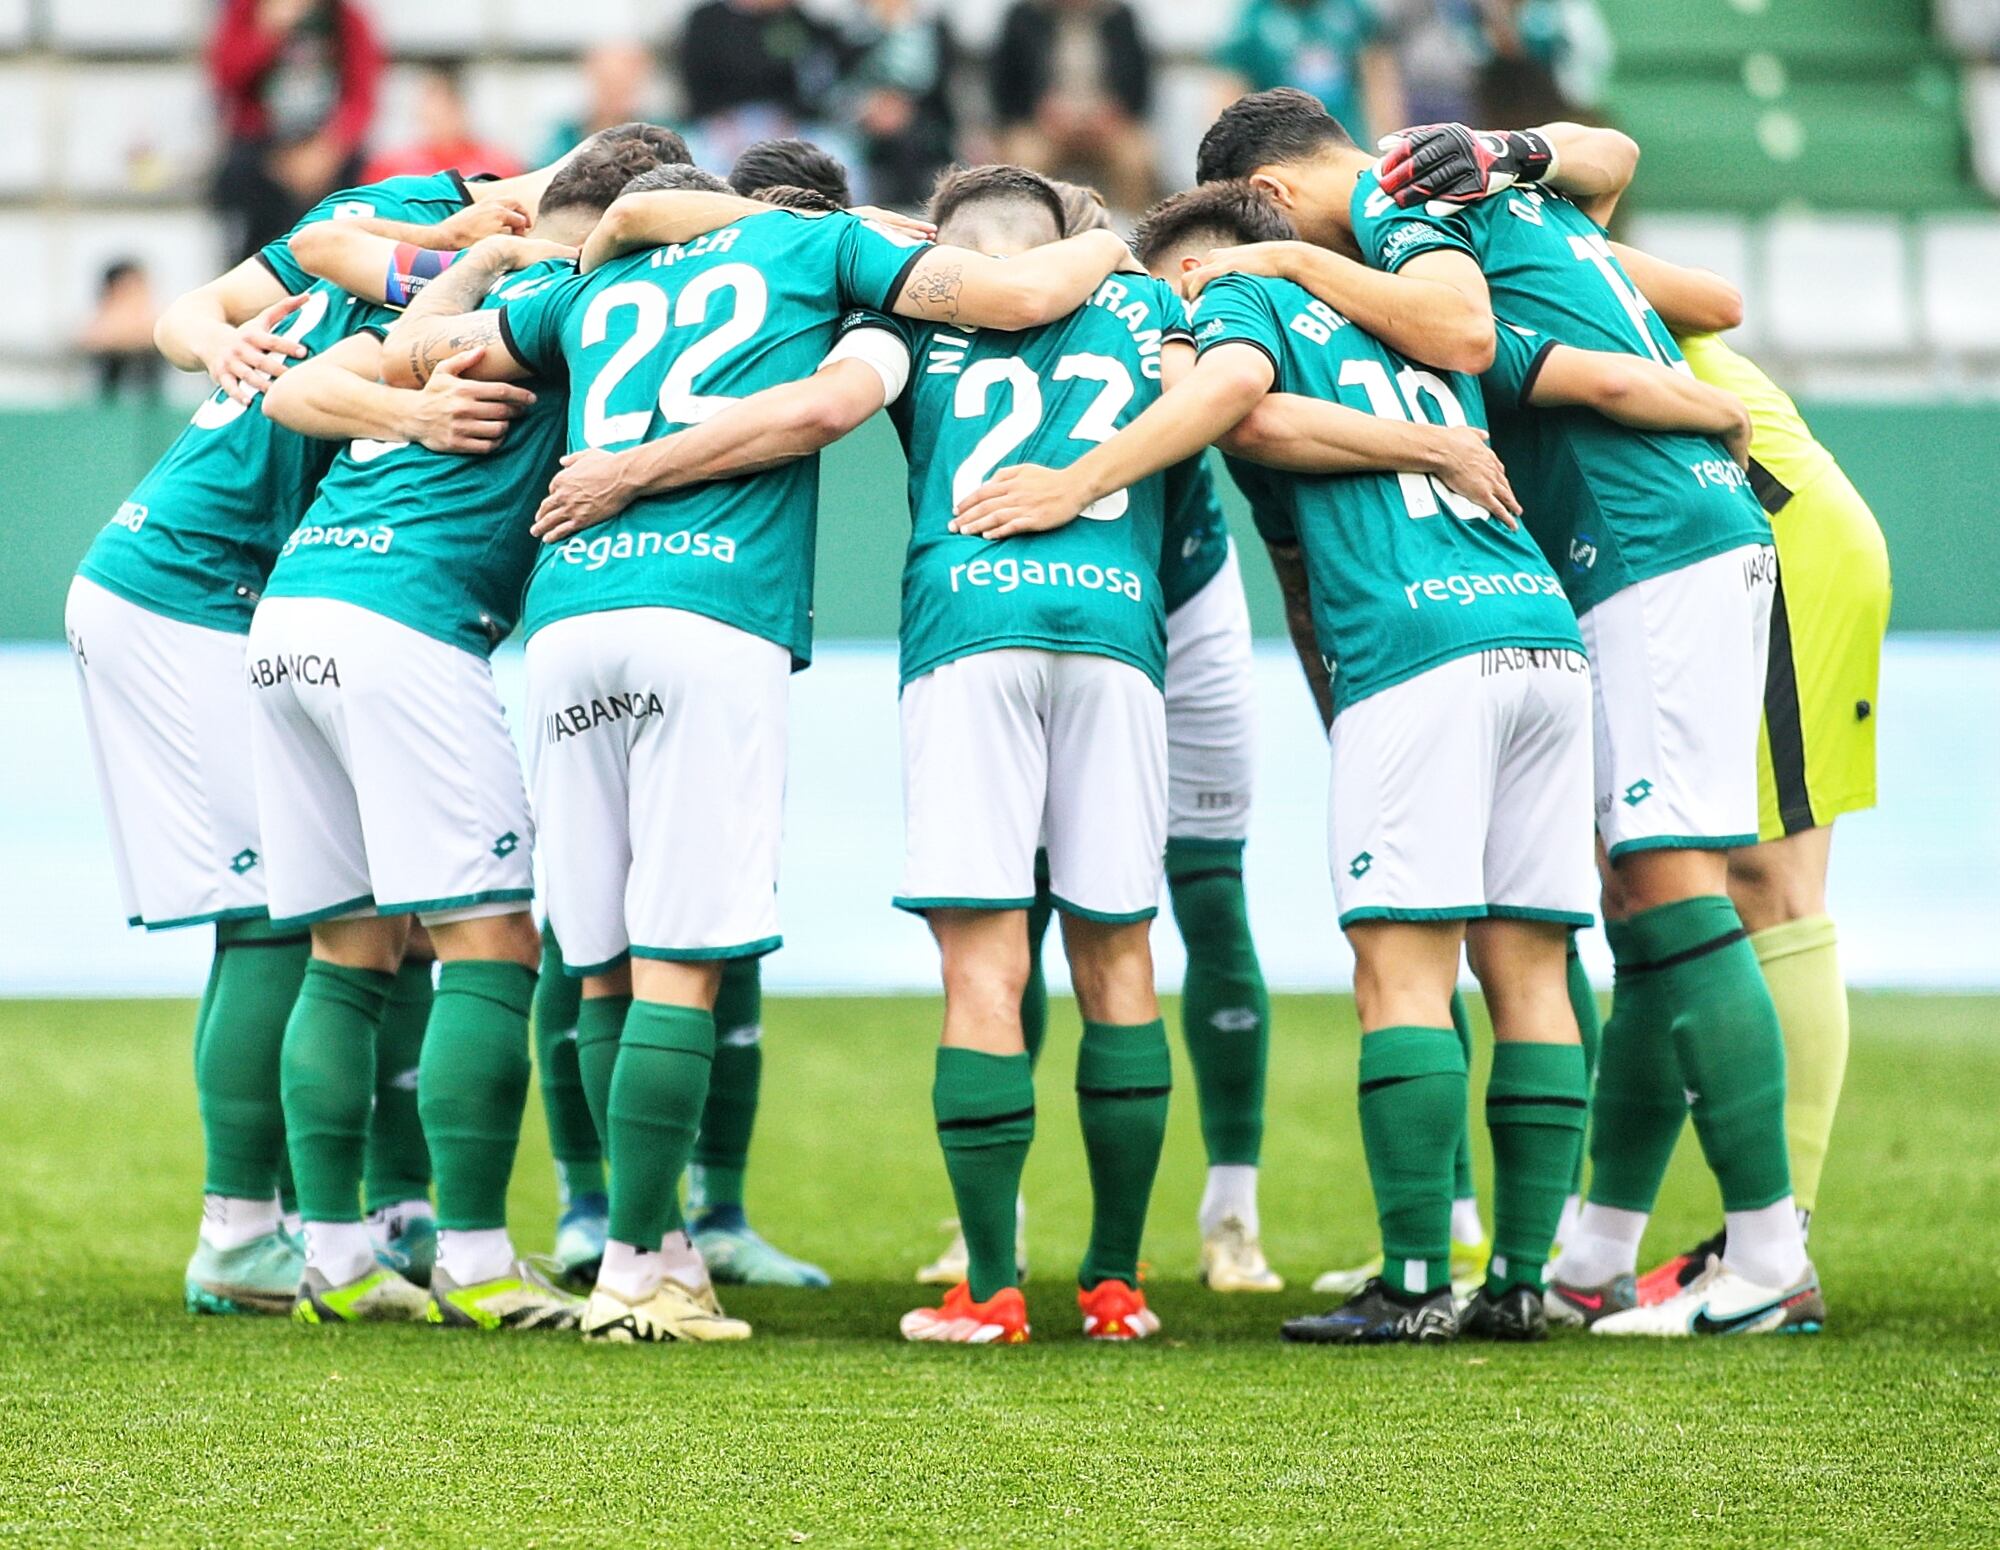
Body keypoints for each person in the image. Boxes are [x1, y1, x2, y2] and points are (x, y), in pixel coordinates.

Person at [956, 177, 1743, 1344]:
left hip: (1415, 643)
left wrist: (1076, 479)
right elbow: (1612, 376)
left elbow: (1241, 408)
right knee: (1529, 959)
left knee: (1401, 971)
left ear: (1204, 263)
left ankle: (1417, 1278)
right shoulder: (1414, 317)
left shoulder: (1240, 306)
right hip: (1537, 630)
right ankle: (1522, 1277)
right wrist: (1718, 418)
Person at [379, 168, 1134, 1345]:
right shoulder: (818, 247)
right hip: (708, 612)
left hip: (570, 616)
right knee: (681, 961)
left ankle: (645, 1241)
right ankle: (641, 1271)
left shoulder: (593, 285)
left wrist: (472, 260)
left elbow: (426, 351)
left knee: (602, 967)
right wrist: (1102, 243)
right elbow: (869, 379)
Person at [1191, 94, 1822, 1336]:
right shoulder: (1480, 192)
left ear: (1265, 194)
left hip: (1644, 542)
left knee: (1675, 875)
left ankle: (1763, 1251)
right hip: (1645, 542)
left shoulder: (1387, 193)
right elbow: (1699, 298)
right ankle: (1591, 1253)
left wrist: (1284, 260)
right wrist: (1530, 172)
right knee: (1636, 905)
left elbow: (1464, 332)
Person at [64, 125, 644, 1315]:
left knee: (375, 918)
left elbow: (313, 264)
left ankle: (374, 1218)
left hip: (270, 592)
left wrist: (414, 266)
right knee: (285, 923)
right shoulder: (487, 255)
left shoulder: (440, 251)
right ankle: (246, 1230)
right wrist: (233, 338)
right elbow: (230, 298)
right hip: (197, 582)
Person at [250, 142, 682, 1329]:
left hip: (292, 615)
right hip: (409, 624)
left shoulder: (470, 295)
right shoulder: (581, 300)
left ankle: (334, 1254)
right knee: (492, 940)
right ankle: (482, 1256)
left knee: (349, 950)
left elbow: (292, 386)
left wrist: (467, 274)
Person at [913, 177, 1284, 1297]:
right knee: (1119, 944)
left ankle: (992, 1281)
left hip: (994, 616)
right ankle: (1113, 1283)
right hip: (1117, 620)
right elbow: (1214, 396)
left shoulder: (911, 310)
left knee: (995, 942)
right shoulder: (1153, 312)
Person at [1591, 253, 1892, 1306]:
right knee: (1657, 892)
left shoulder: (1481, 223)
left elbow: (1712, 301)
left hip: (1773, 534)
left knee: (1767, 883)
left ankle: (1773, 1246)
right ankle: (1668, 1242)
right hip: (1706, 551)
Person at [208, 0, 384, 263]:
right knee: (237, 180)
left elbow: (361, 97)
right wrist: (267, 32)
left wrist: (328, 150)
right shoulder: (246, 12)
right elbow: (227, 78)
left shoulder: (345, 19)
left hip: (327, 151)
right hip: (264, 151)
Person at [989, 0, 1156, 212]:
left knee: (1136, 161)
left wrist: (1114, 112)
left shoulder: (1119, 17)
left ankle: (1133, 236)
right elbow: (1003, 85)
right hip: (1040, 127)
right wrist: (1038, 112)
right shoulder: (1024, 17)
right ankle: (1031, 232)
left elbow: (1139, 81)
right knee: (1025, 162)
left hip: (1109, 126)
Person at [676, 0, 847, 169]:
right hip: (721, 123)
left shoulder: (798, 21)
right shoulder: (706, 20)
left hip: (787, 123)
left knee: (837, 156)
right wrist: (725, 131)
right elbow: (697, 83)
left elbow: (814, 84)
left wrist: (789, 126)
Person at [1212, 0, 1405, 146]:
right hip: (1284, 150)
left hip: (1349, 142)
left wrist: (1388, 142)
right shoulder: (1250, 22)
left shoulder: (1351, 10)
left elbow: (1379, 81)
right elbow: (1229, 98)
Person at [841, 0, 956, 208]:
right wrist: (869, 106)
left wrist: (900, 104)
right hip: (858, 120)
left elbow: (938, 88)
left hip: (920, 120)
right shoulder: (851, 32)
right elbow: (838, 83)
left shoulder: (932, 30)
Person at [360, 60, 521, 183]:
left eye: (445, 101)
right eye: (428, 98)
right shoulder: (391, 167)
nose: (433, 111)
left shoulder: (498, 165)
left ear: (461, 106)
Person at [539, 42, 658, 168]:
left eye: (622, 86)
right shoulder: (562, 139)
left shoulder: (661, 140)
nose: (614, 93)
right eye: (608, 84)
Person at [79, 260, 164, 401]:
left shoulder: (158, 319)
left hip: (152, 403)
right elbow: (92, 338)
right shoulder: (101, 322)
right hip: (108, 402)